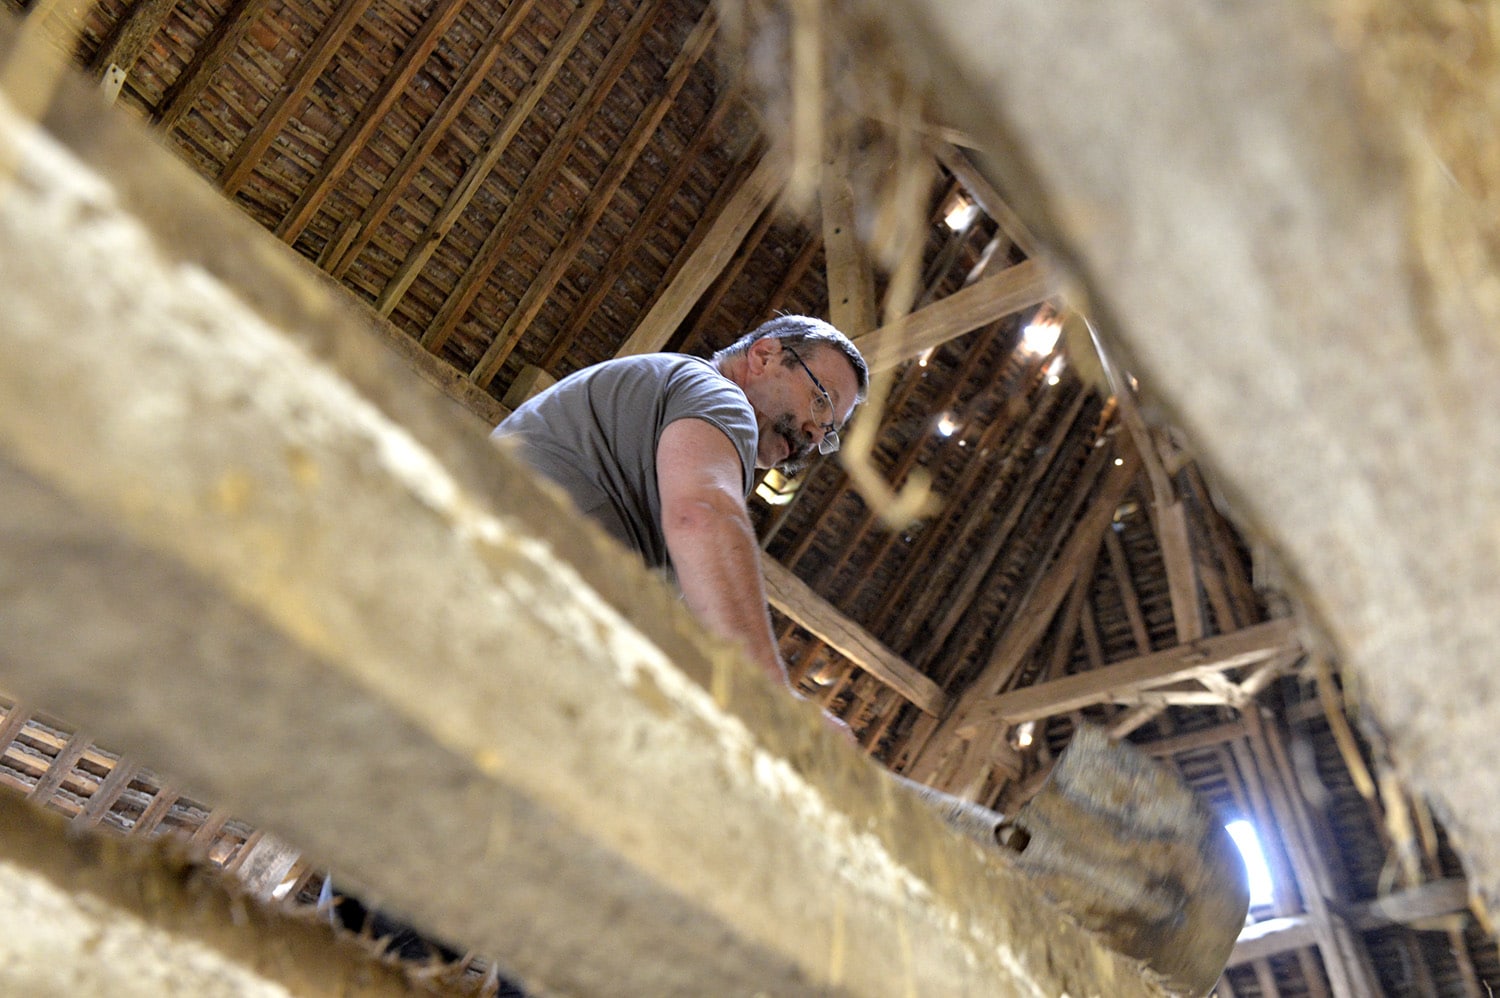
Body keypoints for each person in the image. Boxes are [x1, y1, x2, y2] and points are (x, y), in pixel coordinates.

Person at [491, 314, 869, 690]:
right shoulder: (720, 397)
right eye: (821, 403)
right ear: (765, 356)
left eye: (829, 431)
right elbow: (702, 516)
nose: (814, 436)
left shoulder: (673, 403)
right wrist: (770, 695)